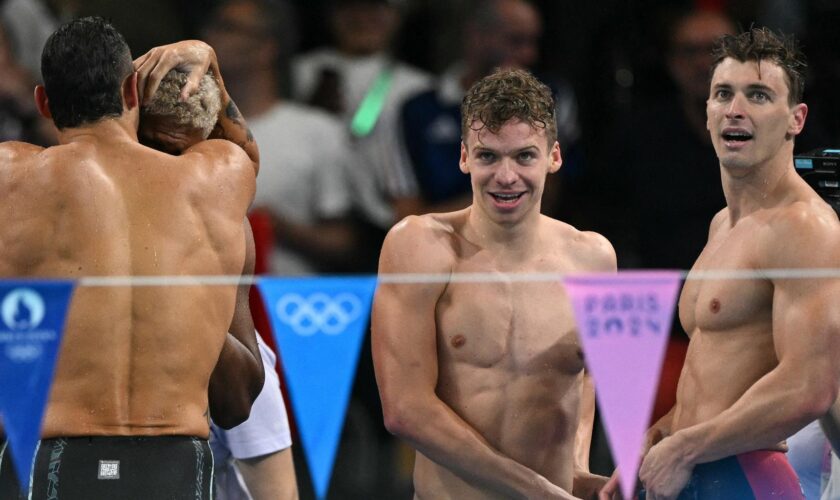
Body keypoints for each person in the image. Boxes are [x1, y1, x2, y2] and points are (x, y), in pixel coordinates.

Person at [0, 17, 264, 498]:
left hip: (50, 458)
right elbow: (244, 153)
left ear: (43, 102)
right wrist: (207, 63)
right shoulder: (217, 178)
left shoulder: (9, 177)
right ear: (131, 93)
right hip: (174, 460)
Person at [600, 27, 840, 500]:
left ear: (796, 119)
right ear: (707, 113)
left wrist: (687, 449)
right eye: (723, 94)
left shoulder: (806, 228)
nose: (736, 109)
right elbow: (718, 376)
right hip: (695, 467)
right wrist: (663, 437)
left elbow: (811, 387)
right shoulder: (721, 226)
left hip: (745, 475)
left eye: (758, 95)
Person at [372, 68, 615, 499]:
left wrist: (576, 467)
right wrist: (538, 491)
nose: (506, 177)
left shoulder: (593, 258)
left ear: (553, 157)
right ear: (464, 157)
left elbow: (584, 377)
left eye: (524, 156)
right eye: (488, 156)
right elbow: (405, 410)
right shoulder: (419, 246)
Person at [139, 68, 299, 500]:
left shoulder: (225, 220)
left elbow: (277, 491)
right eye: (150, 147)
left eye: (174, 151)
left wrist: (212, 68)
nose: (163, 166)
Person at [200, 0, 357, 275]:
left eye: (228, 28)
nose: (209, 38)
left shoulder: (318, 131)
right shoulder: (192, 132)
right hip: (210, 303)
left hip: (290, 305)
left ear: (266, 48)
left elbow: (345, 243)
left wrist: (279, 226)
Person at [396, 0, 581, 222]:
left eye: (525, 156)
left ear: (554, 157)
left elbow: (545, 196)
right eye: (515, 40)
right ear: (477, 36)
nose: (529, 54)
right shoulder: (417, 110)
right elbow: (408, 217)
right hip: (440, 248)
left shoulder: (553, 97)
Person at [292, 0, 431, 269]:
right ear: (332, 14)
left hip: (380, 219)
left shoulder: (418, 86)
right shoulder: (300, 72)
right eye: (351, 7)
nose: (363, 17)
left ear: (395, 16)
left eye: (377, 8)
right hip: (309, 219)